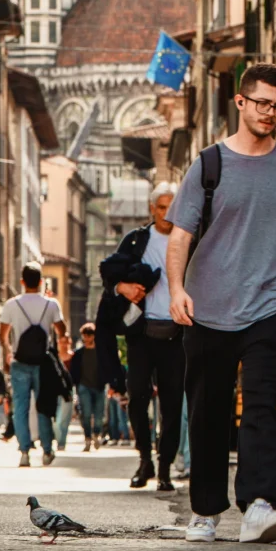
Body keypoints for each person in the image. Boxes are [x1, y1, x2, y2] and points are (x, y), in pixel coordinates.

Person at [167, 62, 276, 544]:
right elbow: (180, 236)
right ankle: (206, 512)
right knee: (208, 410)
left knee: (262, 405)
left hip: (271, 303)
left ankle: (259, 505)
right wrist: (176, 289)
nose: (270, 113)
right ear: (241, 103)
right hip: (208, 306)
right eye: (262, 103)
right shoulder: (208, 164)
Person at [99, 182, 184, 491]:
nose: (167, 213)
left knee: (172, 404)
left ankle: (164, 468)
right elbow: (109, 276)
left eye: (172, 207)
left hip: (178, 333)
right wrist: (122, 287)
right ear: (152, 209)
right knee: (137, 399)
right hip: (142, 333)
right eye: (161, 207)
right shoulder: (136, 241)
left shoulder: (188, 240)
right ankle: (144, 459)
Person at [0, 260, 67, 467]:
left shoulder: (12, 304)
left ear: (22, 281)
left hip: (20, 362)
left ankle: (24, 452)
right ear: (40, 281)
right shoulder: (51, 304)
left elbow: (3, 336)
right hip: (43, 363)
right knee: (43, 406)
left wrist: (7, 356)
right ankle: (47, 451)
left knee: (20, 408)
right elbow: (62, 331)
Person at [69, 324, 107, 450]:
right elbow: (74, 371)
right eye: (84, 336)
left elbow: (107, 368)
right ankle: (87, 438)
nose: (86, 338)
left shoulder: (101, 353)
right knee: (85, 413)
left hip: (99, 386)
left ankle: (96, 434)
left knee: (98, 415)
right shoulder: (78, 354)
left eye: (89, 335)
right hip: (83, 386)